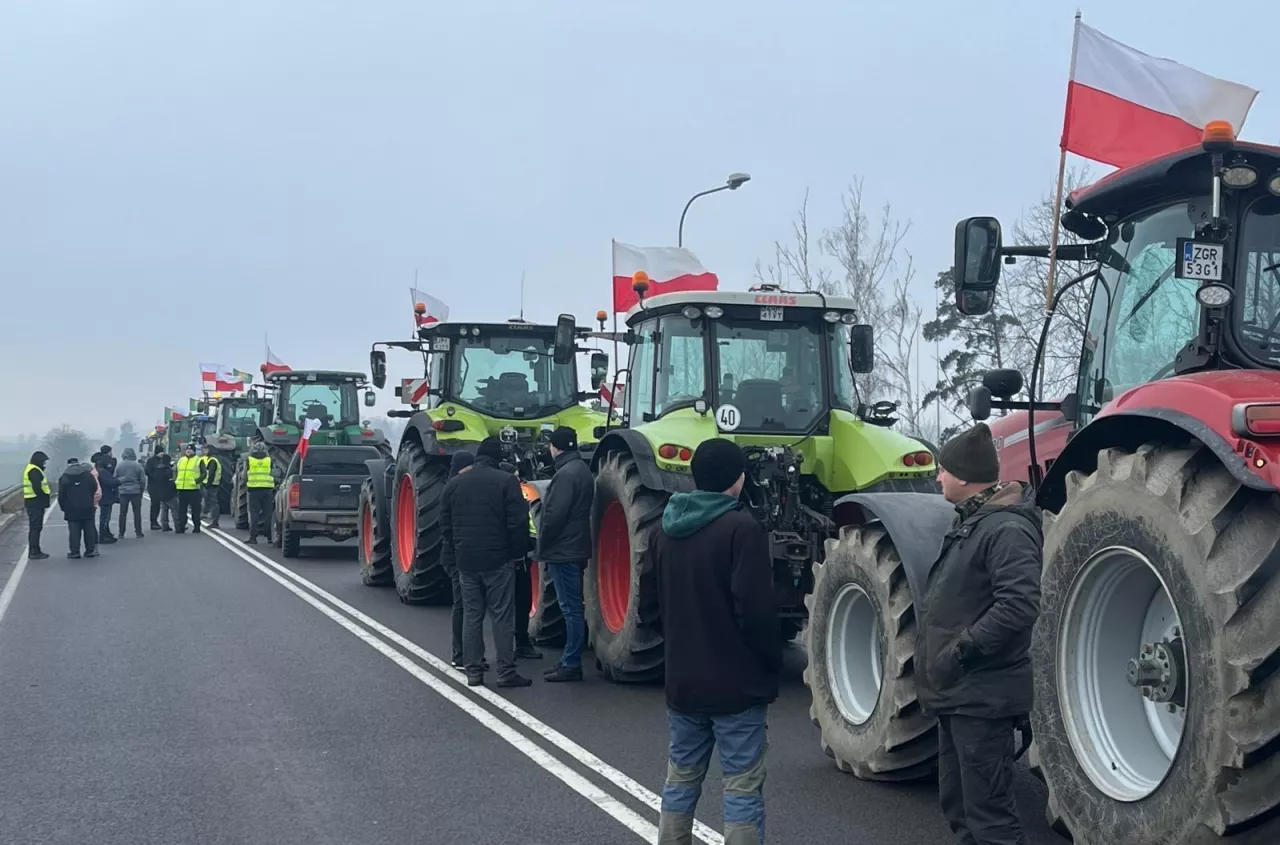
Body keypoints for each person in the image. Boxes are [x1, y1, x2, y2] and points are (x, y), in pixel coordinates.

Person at [917, 423, 1041, 845]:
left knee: (991, 819)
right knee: (960, 809)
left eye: (943, 470)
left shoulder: (1006, 530)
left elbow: (1019, 605)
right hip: (960, 694)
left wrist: (961, 652)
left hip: (981, 696)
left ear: (965, 477)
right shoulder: (974, 523)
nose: (938, 477)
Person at [652, 438, 779, 845]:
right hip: (736, 685)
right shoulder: (742, 530)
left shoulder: (663, 530)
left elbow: (653, 605)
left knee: (680, 780)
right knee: (741, 788)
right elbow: (755, 613)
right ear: (739, 480)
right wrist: (769, 663)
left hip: (683, 682)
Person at [439, 436, 532, 688]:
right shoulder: (506, 481)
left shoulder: (454, 484)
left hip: (466, 560)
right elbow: (518, 522)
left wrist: (459, 547)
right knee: (502, 616)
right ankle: (505, 671)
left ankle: (473, 672)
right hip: (498, 559)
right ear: (497, 458)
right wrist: (517, 552)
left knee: (472, 615)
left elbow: (445, 524)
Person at [535, 426, 594, 683]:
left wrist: (542, 545)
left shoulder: (565, 475)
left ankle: (571, 663)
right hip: (576, 546)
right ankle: (569, 660)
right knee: (573, 607)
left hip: (563, 550)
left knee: (570, 608)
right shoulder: (581, 470)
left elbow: (554, 515)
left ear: (555, 447)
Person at [442, 451, 477, 669]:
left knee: (466, 605)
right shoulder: (455, 488)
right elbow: (447, 527)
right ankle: (460, 654)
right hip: (456, 556)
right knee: (463, 605)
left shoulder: (452, 486)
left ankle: (467, 654)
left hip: (457, 553)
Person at [58, 458, 100, 559]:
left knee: (74, 531)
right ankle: (90, 551)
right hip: (87, 506)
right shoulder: (87, 475)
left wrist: (64, 507)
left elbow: (61, 495)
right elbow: (94, 487)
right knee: (89, 529)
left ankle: (75, 552)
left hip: (71, 508)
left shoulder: (64, 477)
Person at [22, 450, 52, 560]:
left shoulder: (33, 469)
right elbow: (37, 488)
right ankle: (34, 551)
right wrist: (44, 496)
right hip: (35, 502)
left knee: (36, 528)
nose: (44, 464)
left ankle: (35, 550)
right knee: (35, 528)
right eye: (43, 461)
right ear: (39, 461)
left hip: (32, 502)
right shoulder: (34, 471)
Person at [244, 441, 275, 544]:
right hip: (267, 489)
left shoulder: (249, 460)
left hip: (253, 490)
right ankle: (270, 537)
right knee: (268, 514)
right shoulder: (269, 460)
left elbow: (245, 475)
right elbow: (274, 473)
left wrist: (247, 484)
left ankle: (253, 537)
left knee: (254, 514)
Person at [115, 447, 147, 538]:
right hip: (136, 491)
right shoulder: (138, 465)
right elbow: (143, 479)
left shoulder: (119, 465)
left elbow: (115, 477)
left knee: (122, 513)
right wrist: (141, 489)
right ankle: (138, 532)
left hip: (123, 491)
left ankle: (121, 532)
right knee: (137, 512)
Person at [145, 447, 177, 531]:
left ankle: (163, 523)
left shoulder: (164, 460)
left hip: (163, 486)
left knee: (163, 505)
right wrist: (156, 477)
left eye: (163, 451)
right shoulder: (151, 461)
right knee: (155, 504)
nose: (162, 453)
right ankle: (153, 522)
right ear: (157, 453)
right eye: (160, 452)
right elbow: (147, 471)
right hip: (153, 486)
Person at [173, 444, 203, 534]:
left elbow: (204, 473)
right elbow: (176, 471)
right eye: (187, 450)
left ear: (194, 451)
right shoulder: (181, 460)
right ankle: (181, 527)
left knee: (195, 510)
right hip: (181, 489)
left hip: (193, 489)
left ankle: (197, 527)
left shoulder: (198, 460)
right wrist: (175, 480)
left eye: (190, 450)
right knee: (181, 510)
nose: (188, 451)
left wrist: (196, 481)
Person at [94, 451, 121, 543]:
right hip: (106, 496)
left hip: (105, 496)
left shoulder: (99, 470)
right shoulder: (103, 472)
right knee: (105, 517)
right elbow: (110, 482)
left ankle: (106, 533)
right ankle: (103, 536)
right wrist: (118, 481)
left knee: (105, 517)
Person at [198, 445, 223, 530]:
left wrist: (208, 484)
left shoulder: (213, 460)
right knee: (208, 501)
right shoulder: (205, 459)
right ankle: (206, 514)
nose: (204, 451)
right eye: (203, 449)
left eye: (206, 449)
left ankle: (214, 521)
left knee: (213, 503)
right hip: (205, 483)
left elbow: (211, 473)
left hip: (211, 485)